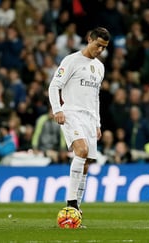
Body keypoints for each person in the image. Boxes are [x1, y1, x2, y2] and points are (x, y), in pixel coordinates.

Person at [48, 27, 110, 219]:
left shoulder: (100, 67)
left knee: (86, 163)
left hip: (90, 118)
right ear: (89, 39)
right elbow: (54, 86)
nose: (100, 50)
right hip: (72, 113)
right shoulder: (71, 60)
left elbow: (96, 97)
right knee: (81, 151)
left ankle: (77, 208)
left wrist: (98, 123)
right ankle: (71, 204)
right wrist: (57, 109)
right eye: (98, 45)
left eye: (104, 47)